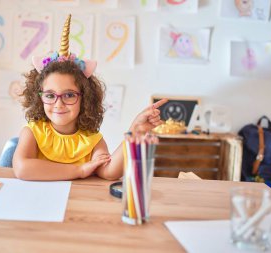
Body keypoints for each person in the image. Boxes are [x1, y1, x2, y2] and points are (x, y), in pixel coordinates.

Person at [12, 14, 166, 181]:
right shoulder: (32, 132)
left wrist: (135, 131)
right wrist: (79, 170)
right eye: (50, 95)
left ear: (85, 98)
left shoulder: (92, 140)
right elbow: (22, 169)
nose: (59, 103)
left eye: (69, 95)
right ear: (38, 97)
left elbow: (109, 172)